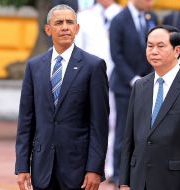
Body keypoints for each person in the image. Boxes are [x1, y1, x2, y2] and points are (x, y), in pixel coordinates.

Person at [15, 4, 109, 190]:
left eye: (69, 22)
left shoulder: (93, 66)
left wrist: (95, 169)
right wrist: (22, 166)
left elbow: (99, 125)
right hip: (42, 170)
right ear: (48, 29)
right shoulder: (34, 67)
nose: (65, 27)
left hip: (78, 170)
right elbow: (26, 121)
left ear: (77, 28)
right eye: (59, 22)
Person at [119, 25, 180, 190]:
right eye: (150, 46)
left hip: (172, 182)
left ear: (177, 50)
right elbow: (129, 139)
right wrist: (124, 182)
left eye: (160, 46)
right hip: (138, 181)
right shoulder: (140, 86)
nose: (153, 51)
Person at [109, 0, 158, 186]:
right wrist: (133, 79)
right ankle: (118, 173)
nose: (150, 2)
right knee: (123, 131)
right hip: (124, 86)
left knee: (147, 131)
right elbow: (116, 54)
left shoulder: (151, 18)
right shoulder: (119, 20)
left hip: (149, 85)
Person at [75, 0, 122, 178]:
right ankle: (86, 166)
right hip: (89, 80)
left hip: (117, 80)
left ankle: (110, 168)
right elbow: (78, 49)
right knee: (87, 123)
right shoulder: (84, 16)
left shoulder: (122, 14)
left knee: (114, 124)